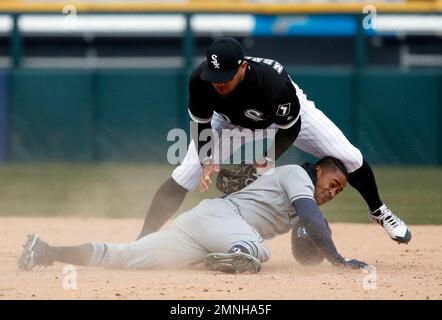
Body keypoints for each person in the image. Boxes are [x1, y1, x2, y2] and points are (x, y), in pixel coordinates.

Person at [137, 37, 411, 245]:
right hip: (230, 121)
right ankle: (143, 240)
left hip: (284, 119)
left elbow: (290, 129)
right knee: (186, 173)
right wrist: (208, 159)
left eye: (225, 77)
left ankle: (379, 211)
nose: (218, 83)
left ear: (242, 67)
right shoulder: (200, 80)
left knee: (349, 157)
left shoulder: (272, 83)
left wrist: (265, 160)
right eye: (214, 77)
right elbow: (201, 123)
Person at [17, 157, 368, 273]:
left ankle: (46, 252)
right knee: (259, 250)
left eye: (339, 191)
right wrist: (338, 260)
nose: (333, 192)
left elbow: (305, 229)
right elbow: (311, 216)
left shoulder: (292, 190)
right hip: (223, 220)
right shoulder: (296, 175)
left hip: (204, 229)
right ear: (319, 170)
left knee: (126, 258)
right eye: (333, 182)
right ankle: (240, 255)